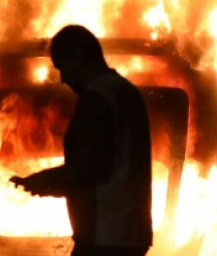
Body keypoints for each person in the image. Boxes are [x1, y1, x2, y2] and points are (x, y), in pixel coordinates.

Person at [10, 25, 153, 256]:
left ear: (78, 57)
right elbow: (114, 163)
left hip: (104, 234)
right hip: (131, 233)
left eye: (62, 68)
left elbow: (89, 168)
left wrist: (44, 180)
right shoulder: (128, 92)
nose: (63, 79)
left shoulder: (96, 97)